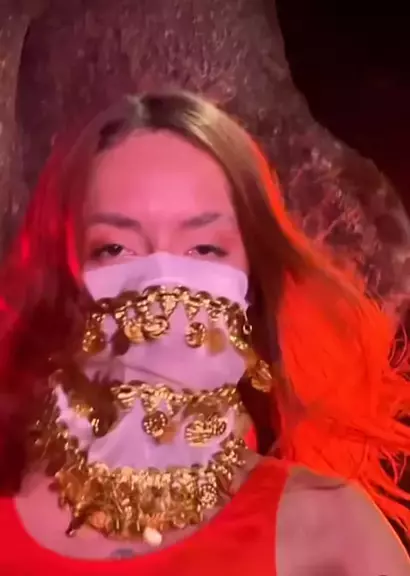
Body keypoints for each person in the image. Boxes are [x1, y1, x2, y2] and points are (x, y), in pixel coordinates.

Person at [0, 90, 409, 575]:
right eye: (115, 248)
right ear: (64, 281)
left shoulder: (332, 535)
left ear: (252, 281)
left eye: (204, 249)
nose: (162, 285)